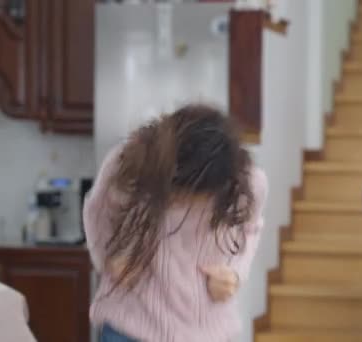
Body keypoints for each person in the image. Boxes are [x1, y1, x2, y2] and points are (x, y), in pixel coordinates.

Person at [83, 104, 268, 342]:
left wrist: (235, 273)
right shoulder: (125, 166)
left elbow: (251, 229)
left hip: (207, 333)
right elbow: (96, 212)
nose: (184, 202)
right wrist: (109, 260)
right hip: (128, 328)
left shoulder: (249, 182)